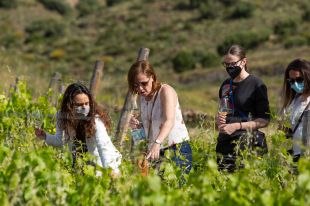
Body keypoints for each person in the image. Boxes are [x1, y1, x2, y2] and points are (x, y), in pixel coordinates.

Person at [35, 83, 122, 177]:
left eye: (86, 103)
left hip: (103, 163)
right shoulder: (62, 116)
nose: (84, 107)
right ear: (69, 105)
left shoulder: (95, 120)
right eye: (79, 104)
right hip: (79, 165)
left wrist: (110, 170)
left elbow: (103, 147)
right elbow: (60, 140)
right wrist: (45, 136)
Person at [128, 60, 192, 175]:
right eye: (136, 85)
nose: (140, 89)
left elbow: (169, 121)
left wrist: (157, 143)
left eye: (144, 83)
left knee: (177, 189)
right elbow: (151, 128)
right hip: (155, 151)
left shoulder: (165, 91)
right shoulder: (141, 97)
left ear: (152, 77)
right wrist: (137, 126)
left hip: (176, 149)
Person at [216, 44, 270, 172]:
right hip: (225, 143)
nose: (230, 68)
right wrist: (219, 119)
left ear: (244, 61)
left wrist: (236, 126)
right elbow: (224, 109)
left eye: (233, 64)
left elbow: (264, 120)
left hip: (248, 143)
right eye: (226, 65)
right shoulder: (225, 84)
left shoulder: (256, 84)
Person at [281, 59, 310, 162]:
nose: (295, 84)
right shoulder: (293, 102)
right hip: (294, 156)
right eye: (291, 81)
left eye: (299, 80)